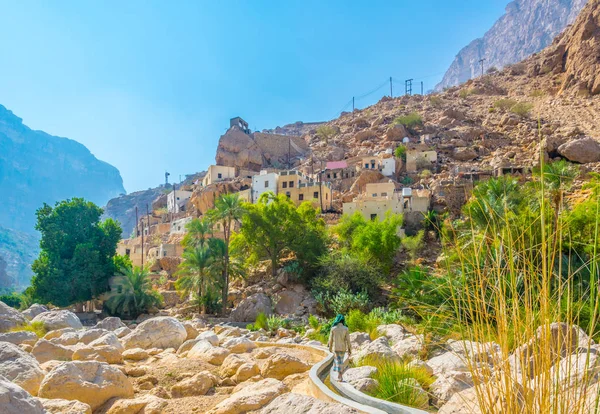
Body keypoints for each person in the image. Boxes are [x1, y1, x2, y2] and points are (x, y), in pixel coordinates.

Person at [328, 314, 351, 381]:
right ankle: (340, 375)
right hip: (343, 348)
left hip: (335, 348)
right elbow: (348, 340)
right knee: (340, 361)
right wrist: (349, 349)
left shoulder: (333, 329)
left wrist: (330, 348)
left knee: (338, 361)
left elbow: (330, 340)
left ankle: (339, 375)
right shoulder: (346, 329)